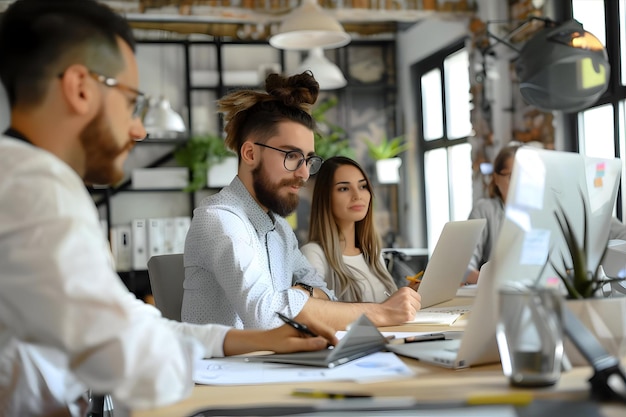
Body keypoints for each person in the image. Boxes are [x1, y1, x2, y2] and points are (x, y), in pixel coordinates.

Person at [0, 1, 336, 415]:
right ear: (80, 88)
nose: (139, 129)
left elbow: (129, 327)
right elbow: (129, 361)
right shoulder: (37, 192)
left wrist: (253, 340)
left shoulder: (25, 179)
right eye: (130, 103)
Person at [181, 72, 421, 331]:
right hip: (225, 369)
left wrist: (302, 293)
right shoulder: (220, 219)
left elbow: (327, 295)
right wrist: (381, 313)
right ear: (250, 153)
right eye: (292, 156)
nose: (305, 173)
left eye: (307, 159)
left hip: (272, 366)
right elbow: (265, 316)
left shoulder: (280, 230)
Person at [301, 156, 403, 302]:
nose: (357, 196)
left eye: (362, 186)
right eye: (344, 188)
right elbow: (312, 312)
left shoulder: (372, 253)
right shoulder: (313, 254)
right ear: (325, 198)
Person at [465, 143, 521, 284]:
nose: (520, 183)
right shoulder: (484, 210)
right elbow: (464, 270)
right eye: (512, 176)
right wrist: (497, 281)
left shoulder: (540, 213)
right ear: (496, 178)